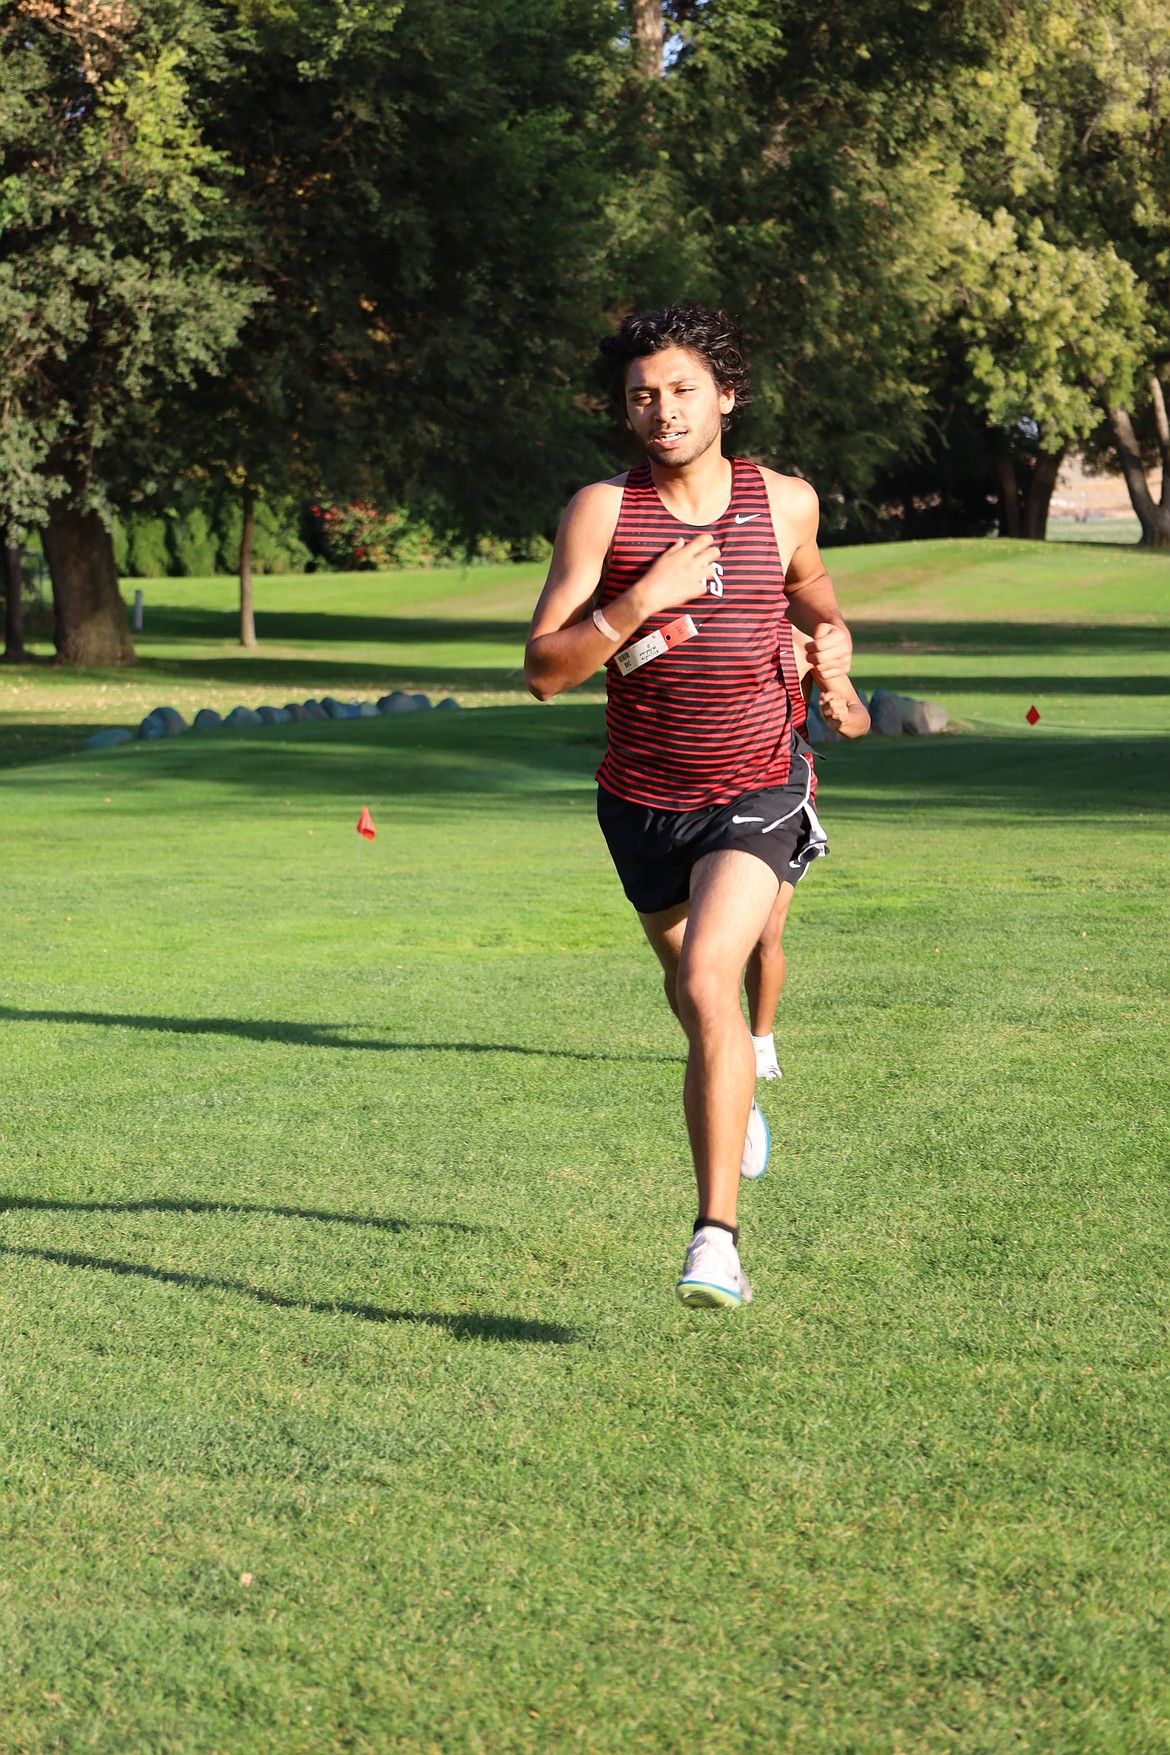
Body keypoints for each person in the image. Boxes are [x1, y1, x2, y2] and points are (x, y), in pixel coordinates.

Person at [524, 304, 863, 1309]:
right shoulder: (602, 511)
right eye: (642, 396)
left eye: (679, 390)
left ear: (725, 396)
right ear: (624, 412)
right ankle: (729, 1086)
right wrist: (639, 600)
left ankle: (715, 1237)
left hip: (759, 782)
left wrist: (833, 647)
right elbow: (545, 671)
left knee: (716, 980)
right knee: (689, 990)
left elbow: (813, 589)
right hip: (640, 801)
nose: (661, 409)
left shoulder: (784, 501)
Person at [745, 628, 869, 1083]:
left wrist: (842, 716)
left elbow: (859, 716)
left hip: (782, 795)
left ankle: (759, 1044)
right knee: (692, 944)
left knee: (765, 929)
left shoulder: (800, 641)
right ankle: (714, 1037)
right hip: (702, 796)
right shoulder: (703, 622)